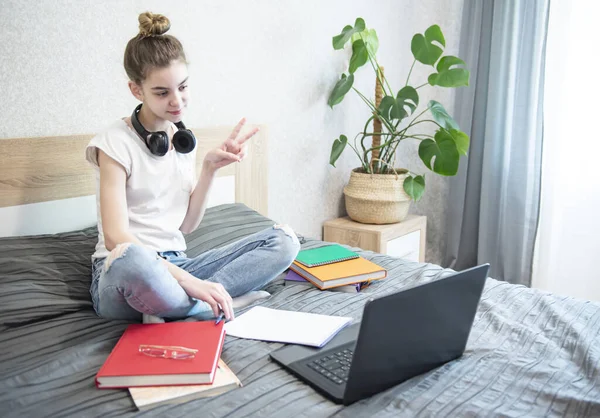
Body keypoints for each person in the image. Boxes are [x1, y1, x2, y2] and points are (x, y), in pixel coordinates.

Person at [85, 12, 300, 324]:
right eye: (162, 92)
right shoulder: (113, 143)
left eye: (182, 87)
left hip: (176, 265)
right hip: (124, 271)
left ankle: (180, 307)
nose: (177, 101)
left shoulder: (182, 140)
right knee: (135, 259)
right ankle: (217, 304)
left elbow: (186, 225)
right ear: (136, 90)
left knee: (284, 241)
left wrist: (210, 170)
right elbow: (116, 237)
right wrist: (192, 283)